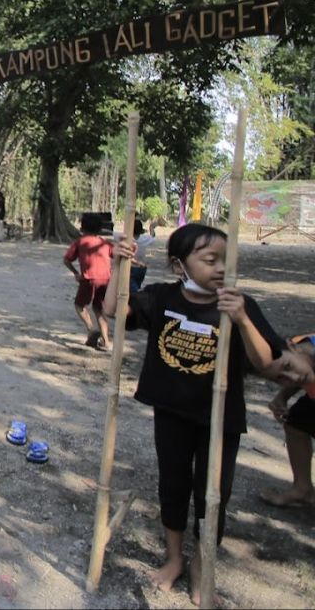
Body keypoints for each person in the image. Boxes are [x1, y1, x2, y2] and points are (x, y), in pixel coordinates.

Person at [105, 223, 284, 606]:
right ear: (178, 266)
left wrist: (242, 320)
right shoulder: (162, 298)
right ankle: (174, 559)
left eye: (226, 260)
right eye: (210, 259)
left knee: (213, 493)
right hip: (171, 411)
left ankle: (204, 565)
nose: (221, 268)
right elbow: (113, 312)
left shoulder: (240, 304)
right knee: (173, 484)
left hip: (220, 419)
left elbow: (267, 364)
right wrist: (119, 265)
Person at [259, 334, 315, 508]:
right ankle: (302, 489)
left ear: (292, 347)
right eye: (281, 378)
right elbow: (301, 370)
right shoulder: (303, 354)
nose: (294, 378)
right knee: (297, 422)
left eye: (288, 367)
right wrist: (282, 396)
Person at [64, 213, 113, 350]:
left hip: (88, 279)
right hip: (105, 280)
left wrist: (76, 273)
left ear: (82, 227)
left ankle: (91, 329)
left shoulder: (80, 242)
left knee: (79, 305)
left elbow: (66, 260)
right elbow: (116, 256)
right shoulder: (105, 243)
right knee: (99, 309)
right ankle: (106, 341)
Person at [129, 218, 156, 292]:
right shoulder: (145, 238)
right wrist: (151, 228)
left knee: (133, 289)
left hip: (130, 267)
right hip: (141, 268)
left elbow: (111, 233)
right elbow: (153, 236)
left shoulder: (127, 238)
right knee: (137, 285)